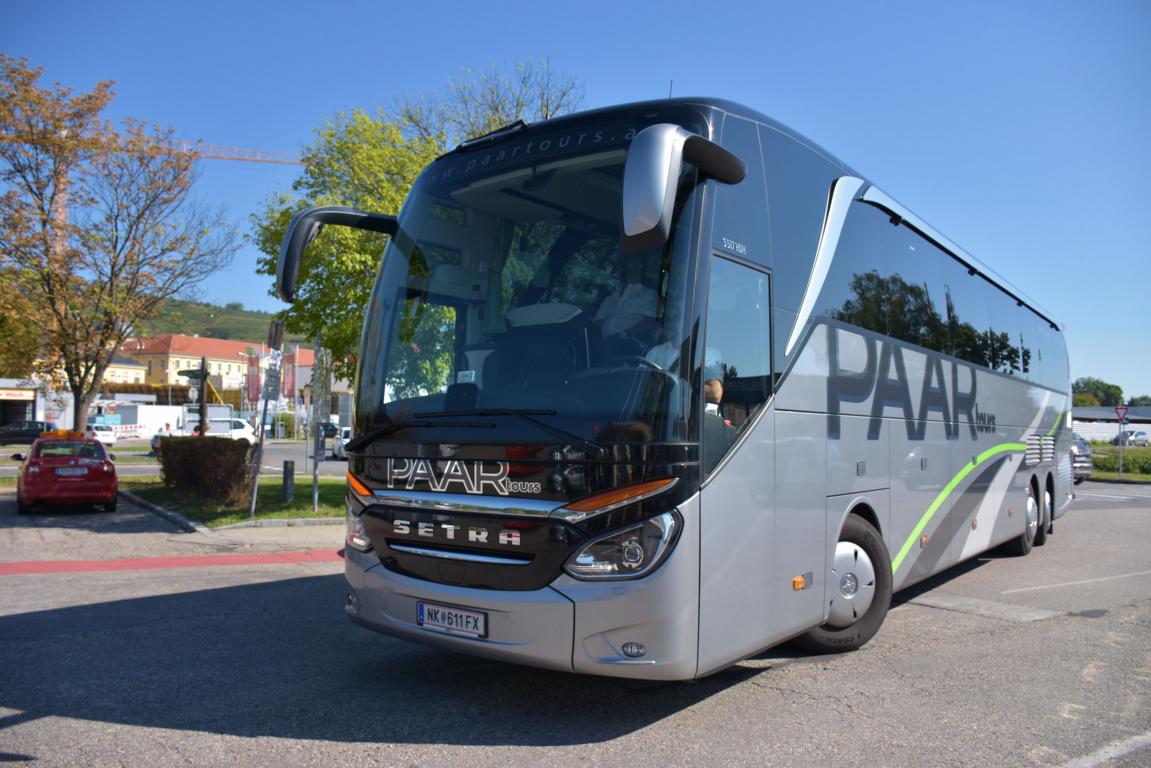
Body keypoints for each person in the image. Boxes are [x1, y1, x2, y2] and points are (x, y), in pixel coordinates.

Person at [595, 260, 657, 338]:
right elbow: (598, 321)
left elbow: (650, 322)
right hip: (604, 342)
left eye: (634, 269)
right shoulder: (609, 299)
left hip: (632, 341)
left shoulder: (648, 294)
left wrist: (626, 333)